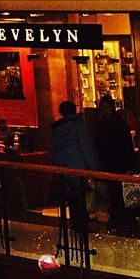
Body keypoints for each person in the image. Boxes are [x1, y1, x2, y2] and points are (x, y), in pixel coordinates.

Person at [49, 100, 99, 253]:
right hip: (78, 169)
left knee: (72, 198)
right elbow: (86, 148)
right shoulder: (78, 128)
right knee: (81, 197)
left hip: (64, 170)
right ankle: (82, 225)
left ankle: (75, 224)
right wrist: (94, 168)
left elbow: (53, 151)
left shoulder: (57, 130)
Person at [93, 94, 138, 231]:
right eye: (103, 109)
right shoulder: (111, 124)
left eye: (106, 108)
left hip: (117, 164)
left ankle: (121, 218)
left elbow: (125, 146)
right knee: (116, 193)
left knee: (119, 193)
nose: (105, 111)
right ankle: (122, 218)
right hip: (113, 164)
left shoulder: (113, 124)